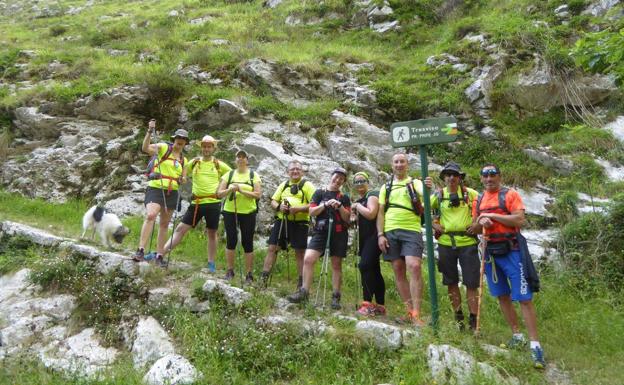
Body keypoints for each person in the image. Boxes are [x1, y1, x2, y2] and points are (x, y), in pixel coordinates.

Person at [470, 163, 545, 369]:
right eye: (485, 176)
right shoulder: (479, 199)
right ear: (481, 179)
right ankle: (517, 335)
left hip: (512, 251)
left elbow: (519, 220)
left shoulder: (510, 195)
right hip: (490, 254)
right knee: (502, 295)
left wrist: (492, 216)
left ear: (499, 177)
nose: (489, 179)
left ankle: (535, 345)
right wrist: (481, 222)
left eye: (492, 175)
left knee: (524, 298)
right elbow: (473, 227)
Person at [161, 135, 231, 273]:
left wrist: (224, 187)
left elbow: (232, 175)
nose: (206, 149)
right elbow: (183, 171)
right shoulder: (194, 162)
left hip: (213, 203)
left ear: (213, 148)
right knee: (180, 229)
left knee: (212, 233)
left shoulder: (218, 164)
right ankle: (161, 253)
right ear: (201, 147)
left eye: (209, 146)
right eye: (204, 146)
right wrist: (183, 178)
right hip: (196, 202)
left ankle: (211, 263)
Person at [287, 167, 351, 310]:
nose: (338, 180)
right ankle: (304, 292)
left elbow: (347, 218)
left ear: (343, 182)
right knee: (308, 259)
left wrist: (339, 206)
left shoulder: (344, 197)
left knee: (336, 264)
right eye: (336, 176)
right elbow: (311, 212)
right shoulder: (319, 193)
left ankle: (336, 297)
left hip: (339, 233)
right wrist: (325, 204)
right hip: (321, 232)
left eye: (341, 178)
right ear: (331, 176)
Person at [427, 161, 480, 330]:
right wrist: (434, 225)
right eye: (448, 175)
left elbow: (483, 209)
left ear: (459, 178)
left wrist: (477, 224)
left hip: (468, 242)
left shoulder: (470, 194)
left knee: (471, 283)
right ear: (444, 177)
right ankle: (458, 317)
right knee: (451, 282)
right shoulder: (438, 195)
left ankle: (473, 320)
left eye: (454, 175)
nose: (451, 178)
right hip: (445, 243)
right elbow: (423, 212)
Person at [377, 153, 426, 326]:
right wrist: (380, 235)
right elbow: (381, 212)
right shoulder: (386, 186)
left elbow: (424, 193)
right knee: (398, 269)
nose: (399, 165)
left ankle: (417, 314)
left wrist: (428, 187)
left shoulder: (415, 183)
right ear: (392, 165)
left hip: (411, 229)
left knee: (414, 266)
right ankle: (410, 312)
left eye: (402, 162)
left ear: (407, 165)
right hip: (390, 230)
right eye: (396, 162)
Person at [132, 121, 188, 267]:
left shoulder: (183, 159)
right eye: (178, 138)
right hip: (156, 186)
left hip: (172, 191)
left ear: (185, 142)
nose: (180, 141)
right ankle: (141, 250)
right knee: (151, 215)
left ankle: (159, 256)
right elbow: (145, 148)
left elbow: (184, 177)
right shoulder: (163, 148)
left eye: (183, 140)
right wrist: (150, 131)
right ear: (174, 139)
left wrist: (183, 179)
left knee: (164, 224)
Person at [260, 160, 315, 289]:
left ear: (302, 171)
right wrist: (279, 207)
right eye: (292, 169)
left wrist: (299, 209)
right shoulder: (284, 184)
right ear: (288, 172)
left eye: (298, 169)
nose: (295, 171)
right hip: (282, 220)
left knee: (300, 252)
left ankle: (301, 284)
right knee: (272, 248)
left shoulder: (307, 185)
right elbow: (273, 201)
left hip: (300, 222)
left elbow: (314, 204)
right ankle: (264, 278)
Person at [217, 149, 262, 282]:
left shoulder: (254, 175)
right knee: (231, 240)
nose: (241, 159)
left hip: (248, 212)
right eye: (238, 157)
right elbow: (219, 194)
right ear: (235, 160)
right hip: (230, 211)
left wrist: (241, 190)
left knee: (247, 242)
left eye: (243, 157)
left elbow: (258, 195)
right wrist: (230, 189)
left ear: (247, 160)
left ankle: (249, 273)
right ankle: (230, 270)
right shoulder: (229, 175)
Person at [350, 172, 386, 317]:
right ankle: (380, 306)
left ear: (368, 181)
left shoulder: (373, 194)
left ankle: (366, 304)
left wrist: (357, 206)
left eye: (362, 181)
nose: (359, 184)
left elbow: (371, 214)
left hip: (374, 236)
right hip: (366, 238)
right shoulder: (362, 199)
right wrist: (354, 214)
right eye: (356, 182)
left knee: (364, 266)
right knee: (374, 269)